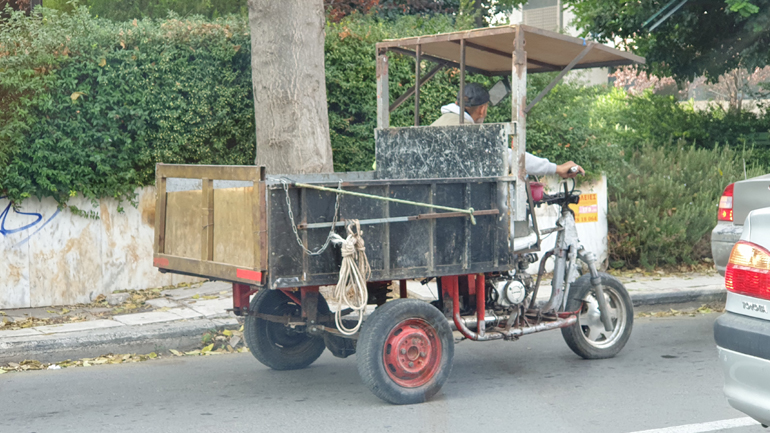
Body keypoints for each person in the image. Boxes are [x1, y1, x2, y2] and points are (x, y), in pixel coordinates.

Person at [431, 83, 585, 179]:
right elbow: (509, 157)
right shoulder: (468, 132)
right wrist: (556, 168)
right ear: (483, 109)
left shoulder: (436, 124)